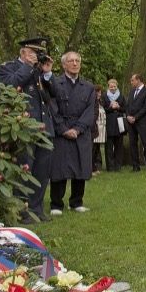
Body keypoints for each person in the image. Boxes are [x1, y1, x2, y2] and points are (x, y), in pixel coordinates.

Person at [0, 37, 56, 223]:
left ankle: (37, 209)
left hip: (44, 128)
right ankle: (22, 211)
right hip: (23, 127)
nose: (38, 56)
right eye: (34, 52)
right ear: (23, 52)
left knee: (42, 172)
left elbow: (55, 95)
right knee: (24, 170)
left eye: (40, 53)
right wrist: (28, 67)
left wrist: (47, 74)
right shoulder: (8, 67)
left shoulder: (40, 72)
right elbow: (9, 87)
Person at [48, 52, 96, 214]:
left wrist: (78, 129)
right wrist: (63, 129)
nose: (75, 64)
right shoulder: (55, 83)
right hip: (62, 131)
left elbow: (91, 111)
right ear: (64, 65)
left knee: (80, 166)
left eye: (77, 61)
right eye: (71, 61)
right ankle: (56, 204)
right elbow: (52, 108)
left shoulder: (89, 87)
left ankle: (76, 202)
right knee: (59, 168)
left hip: (80, 132)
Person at [125, 74, 146, 171]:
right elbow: (128, 105)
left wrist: (136, 117)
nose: (131, 82)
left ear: (138, 80)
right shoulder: (132, 91)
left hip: (142, 122)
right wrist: (128, 116)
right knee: (132, 144)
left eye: (132, 80)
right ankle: (135, 166)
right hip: (131, 122)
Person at [100, 78, 126, 172]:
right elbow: (102, 110)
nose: (113, 88)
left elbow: (125, 109)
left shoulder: (121, 96)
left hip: (119, 123)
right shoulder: (104, 96)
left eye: (114, 86)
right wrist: (110, 107)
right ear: (108, 86)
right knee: (109, 147)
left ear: (117, 86)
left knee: (119, 146)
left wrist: (119, 107)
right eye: (111, 86)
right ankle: (110, 167)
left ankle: (118, 166)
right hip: (109, 123)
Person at [92, 84, 106, 173]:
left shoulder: (100, 102)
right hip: (95, 127)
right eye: (97, 92)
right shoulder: (93, 102)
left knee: (97, 149)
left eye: (100, 92)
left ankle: (95, 167)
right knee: (92, 150)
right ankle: (91, 168)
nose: (99, 94)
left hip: (101, 129)